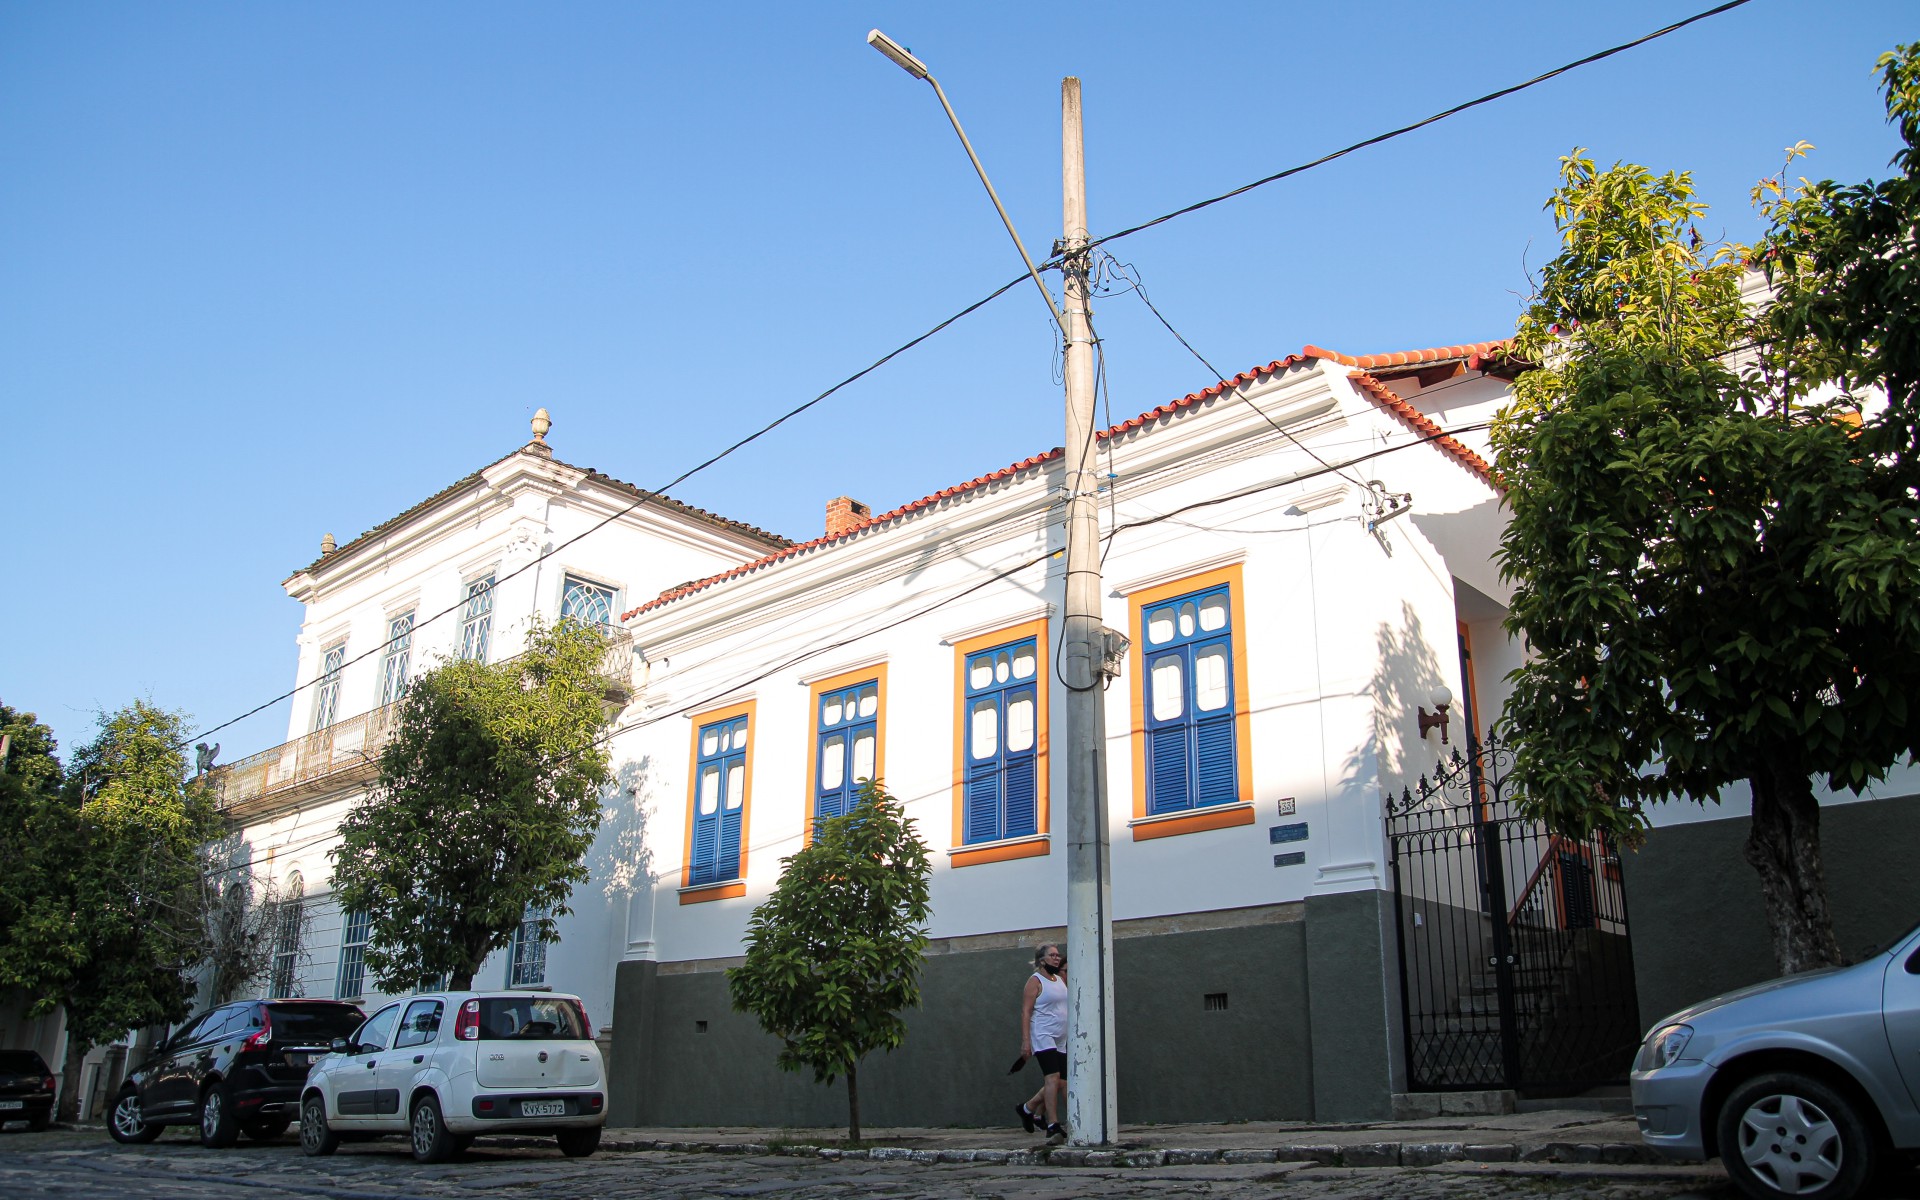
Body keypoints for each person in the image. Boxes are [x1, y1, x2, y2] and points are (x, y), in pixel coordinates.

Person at [1015, 942, 1068, 1140]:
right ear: (1041, 959)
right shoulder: (1035, 981)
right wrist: (1026, 1041)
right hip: (1043, 1035)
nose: (1056, 957)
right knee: (1052, 1078)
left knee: (1062, 1081)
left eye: (1057, 954)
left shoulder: (1058, 979)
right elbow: (1026, 1011)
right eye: (1052, 955)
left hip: (1061, 1037)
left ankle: (1027, 1109)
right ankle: (1053, 1124)